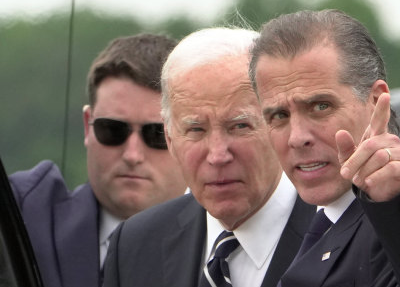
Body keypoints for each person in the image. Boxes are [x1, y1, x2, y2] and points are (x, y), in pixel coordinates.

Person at [249, 9, 400, 287]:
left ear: (376, 101)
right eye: (279, 115)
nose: (297, 137)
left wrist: (394, 202)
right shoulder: (315, 215)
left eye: (320, 106)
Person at [103, 27, 315, 287]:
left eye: (239, 126)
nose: (218, 155)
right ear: (170, 139)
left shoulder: (346, 233)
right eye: (196, 130)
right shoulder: (135, 245)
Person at [8, 33, 187, 287]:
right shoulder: (24, 217)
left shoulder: (222, 248)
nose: (132, 155)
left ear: (190, 133)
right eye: (113, 129)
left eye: (156, 134)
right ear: (87, 126)